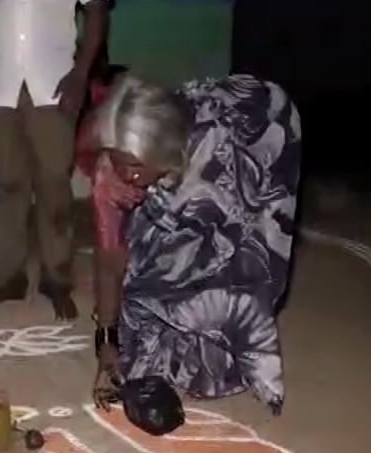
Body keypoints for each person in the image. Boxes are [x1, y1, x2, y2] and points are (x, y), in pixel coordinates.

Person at [85, 74, 301, 430]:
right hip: (178, 166)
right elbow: (110, 258)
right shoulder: (113, 174)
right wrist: (107, 339)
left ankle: (215, 333)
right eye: (116, 160)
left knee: (233, 255)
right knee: (149, 274)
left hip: (261, 121)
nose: (126, 174)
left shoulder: (218, 157)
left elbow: (233, 240)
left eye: (136, 167)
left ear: (166, 155)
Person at [0, 0, 108, 320]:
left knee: (55, 187)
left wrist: (80, 76)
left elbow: (98, 11)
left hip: (56, 89)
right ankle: (8, 280)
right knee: (6, 186)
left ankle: (58, 281)